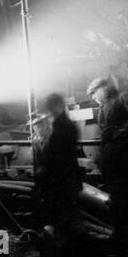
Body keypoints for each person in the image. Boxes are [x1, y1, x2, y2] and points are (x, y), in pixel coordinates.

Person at [38, 92, 81, 232]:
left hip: (61, 179)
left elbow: (55, 155)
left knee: (61, 217)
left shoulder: (61, 126)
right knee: (66, 216)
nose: (49, 110)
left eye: (51, 107)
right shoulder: (66, 125)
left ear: (57, 106)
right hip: (67, 178)